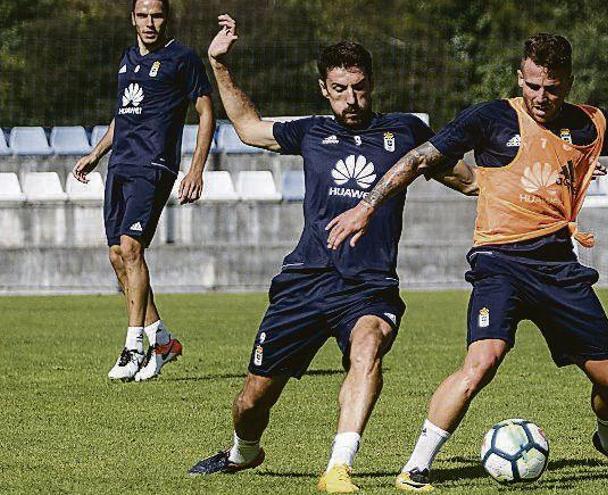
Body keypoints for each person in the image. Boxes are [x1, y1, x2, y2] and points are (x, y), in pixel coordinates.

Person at [325, 33, 608, 491]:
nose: (541, 98)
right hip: (499, 263)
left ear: (568, 83)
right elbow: (420, 158)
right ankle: (416, 466)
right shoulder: (490, 117)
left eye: (552, 88)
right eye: (532, 86)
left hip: (559, 269)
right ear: (519, 78)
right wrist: (368, 205)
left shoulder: (590, 124)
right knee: (482, 360)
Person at [186, 15, 475, 494]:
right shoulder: (311, 132)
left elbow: (470, 181)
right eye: (340, 89)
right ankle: (243, 451)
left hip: (370, 286)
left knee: (367, 348)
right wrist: (218, 64)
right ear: (324, 88)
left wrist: (545, 181)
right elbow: (248, 127)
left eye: (359, 88)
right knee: (252, 400)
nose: (351, 100)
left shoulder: (405, 133)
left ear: (372, 85)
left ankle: (338, 468)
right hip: (306, 281)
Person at [74, 0, 214, 382]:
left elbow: (206, 112)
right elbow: (122, 116)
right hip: (120, 164)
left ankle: (134, 344)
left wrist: (196, 168)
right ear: (133, 18)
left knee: (132, 248)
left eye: (156, 15)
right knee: (118, 255)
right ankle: (162, 340)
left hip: (153, 166)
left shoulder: (181, 58)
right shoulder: (127, 59)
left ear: (167, 18)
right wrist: (96, 154)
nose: (149, 23)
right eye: (142, 15)